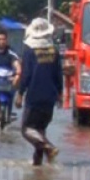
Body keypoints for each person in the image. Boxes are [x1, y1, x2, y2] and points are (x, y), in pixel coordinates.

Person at [15, 18, 63, 166]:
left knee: (27, 130)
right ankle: (38, 164)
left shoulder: (30, 51)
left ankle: (49, 147)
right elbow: (58, 74)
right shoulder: (53, 50)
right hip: (50, 96)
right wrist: (60, 94)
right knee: (40, 130)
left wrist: (20, 93)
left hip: (35, 95)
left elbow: (26, 74)